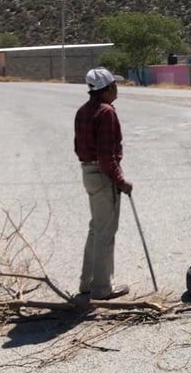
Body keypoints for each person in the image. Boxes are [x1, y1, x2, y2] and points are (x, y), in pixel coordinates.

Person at [74, 67, 133, 301]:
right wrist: (120, 181)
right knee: (105, 232)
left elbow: (78, 147)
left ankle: (87, 283)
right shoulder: (106, 112)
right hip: (102, 174)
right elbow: (107, 156)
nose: (117, 88)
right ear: (107, 88)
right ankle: (102, 288)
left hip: (88, 172)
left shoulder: (83, 110)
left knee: (96, 228)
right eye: (115, 85)